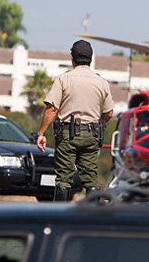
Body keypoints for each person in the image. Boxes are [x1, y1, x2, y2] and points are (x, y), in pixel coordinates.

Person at [36, 40, 115, 202]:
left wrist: (41, 132)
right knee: (90, 177)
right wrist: (98, 123)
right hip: (92, 134)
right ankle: (92, 217)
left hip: (68, 135)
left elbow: (52, 109)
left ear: (72, 58)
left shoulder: (64, 79)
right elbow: (109, 112)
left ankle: (60, 216)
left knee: (64, 178)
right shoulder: (101, 82)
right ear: (91, 59)